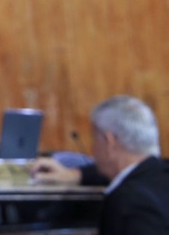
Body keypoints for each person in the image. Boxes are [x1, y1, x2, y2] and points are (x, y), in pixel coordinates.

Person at [34, 96, 169, 233]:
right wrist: (75, 175)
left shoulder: (130, 201)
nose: (93, 148)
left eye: (94, 139)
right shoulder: (160, 175)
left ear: (109, 142)